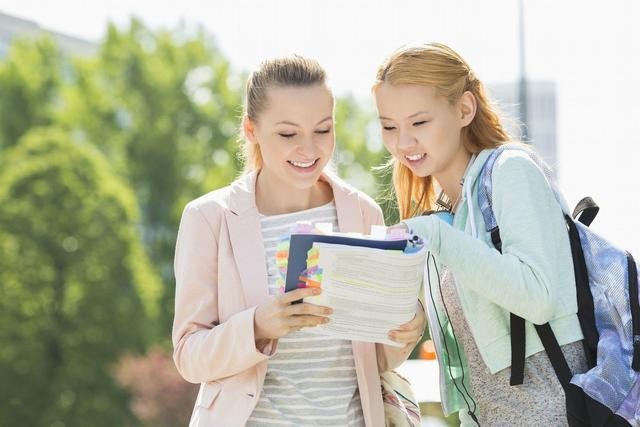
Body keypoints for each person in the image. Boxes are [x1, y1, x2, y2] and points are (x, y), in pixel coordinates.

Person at [172, 55, 426, 427]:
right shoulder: (209, 218)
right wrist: (259, 326)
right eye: (288, 134)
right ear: (251, 130)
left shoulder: (362, 213)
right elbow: (188, 356)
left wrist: (406, 330)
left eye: (323, 130)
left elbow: (373, 359)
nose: (309, 149)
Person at [373, 43, 588, 425]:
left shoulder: (511, 171)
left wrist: (435, 237)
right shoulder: (446, 212)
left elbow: (538, 296)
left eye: (419, 123)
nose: (403, 143)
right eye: (389, 126)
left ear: (464, 110)